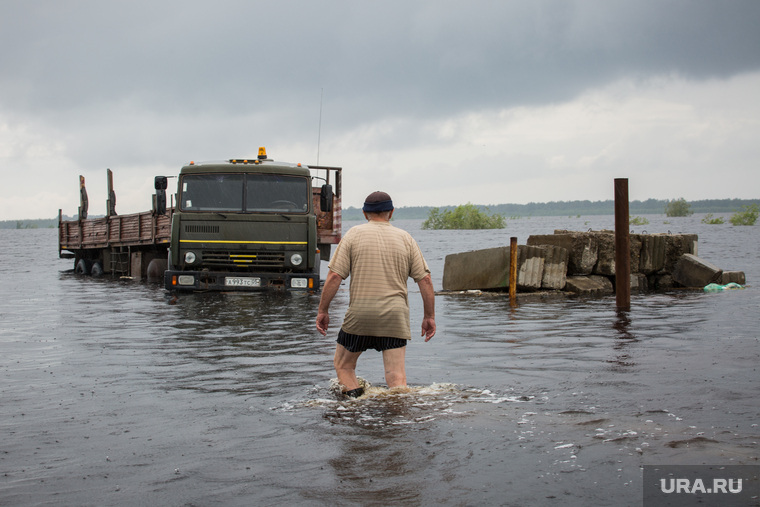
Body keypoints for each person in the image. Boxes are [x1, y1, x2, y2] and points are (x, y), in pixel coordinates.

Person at [316, 191, 436, 398]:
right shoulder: (405, 238)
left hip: (360, 315)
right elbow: (425, 280)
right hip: (394, 318)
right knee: (396, 378)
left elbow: (335, 276)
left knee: (344, 366)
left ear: (364, 213)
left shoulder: (353, 234)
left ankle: (356, 407)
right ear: (391, 212)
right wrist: (429, 317)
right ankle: (397, 422)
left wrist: (323, 311)